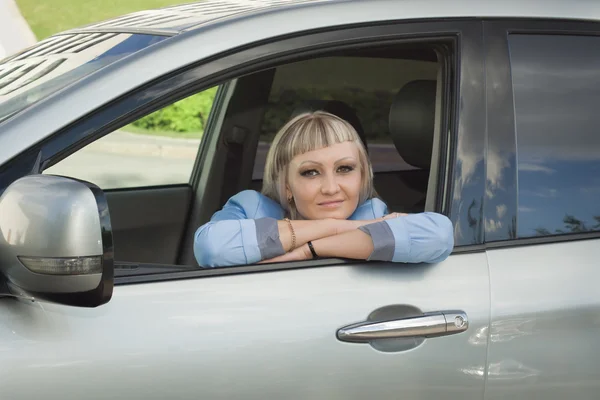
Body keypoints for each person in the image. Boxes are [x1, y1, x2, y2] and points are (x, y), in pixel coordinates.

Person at [194, 111, 454, 268]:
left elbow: (439, 236)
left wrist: (312, 249)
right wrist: (338, 228)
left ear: (363, 177)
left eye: (344, 169)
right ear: (287, 186)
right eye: (311, 172)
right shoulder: (251, 207)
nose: (331, 188)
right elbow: (211, 248)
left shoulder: (370, 211)